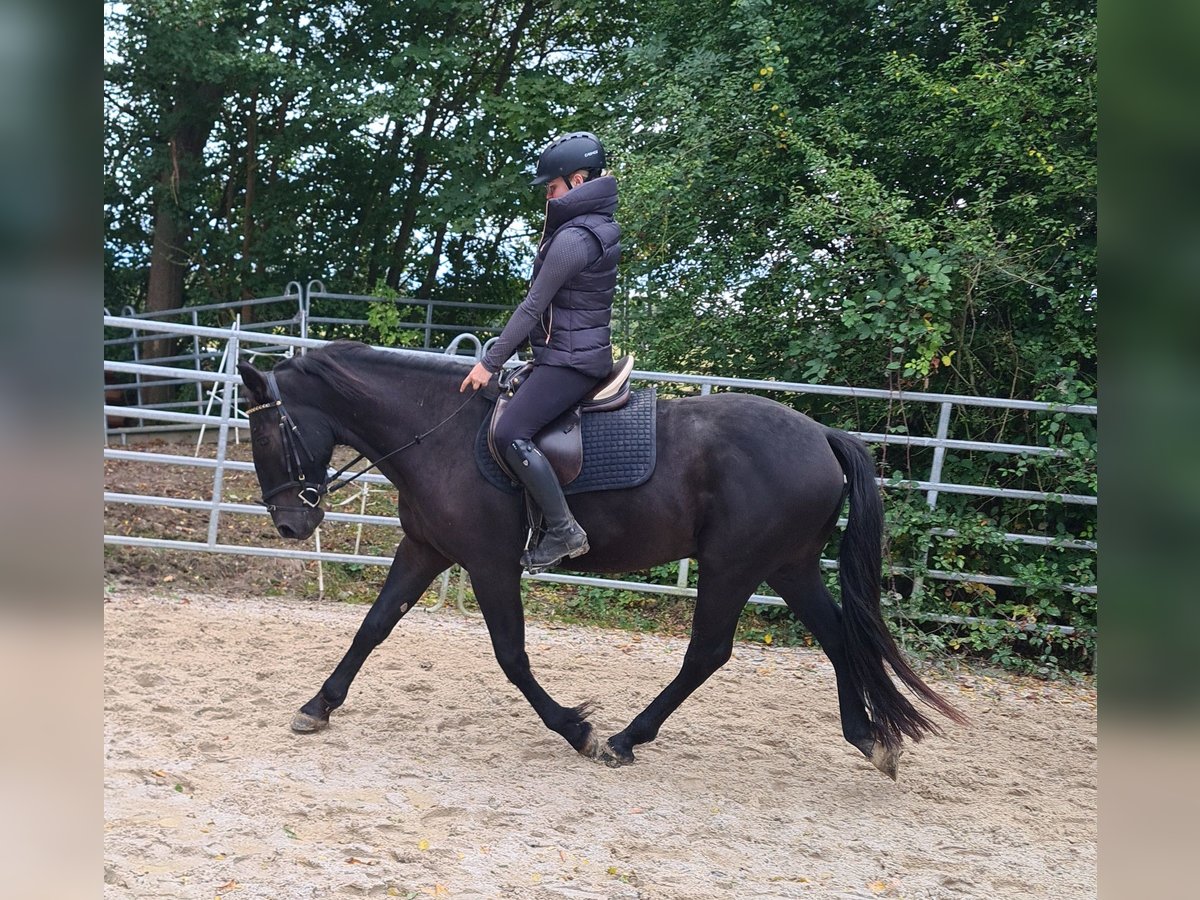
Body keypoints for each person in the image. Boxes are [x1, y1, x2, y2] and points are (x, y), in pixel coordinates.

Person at [460, 131, 621, 571]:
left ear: (578, 180)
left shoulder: (576, 238)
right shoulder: (588, 229)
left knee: (509, 433)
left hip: (571, 361)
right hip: (564, 354)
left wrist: (489, 363)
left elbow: (534, 305)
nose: (547, 197)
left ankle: (564, 530)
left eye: (551, 188)